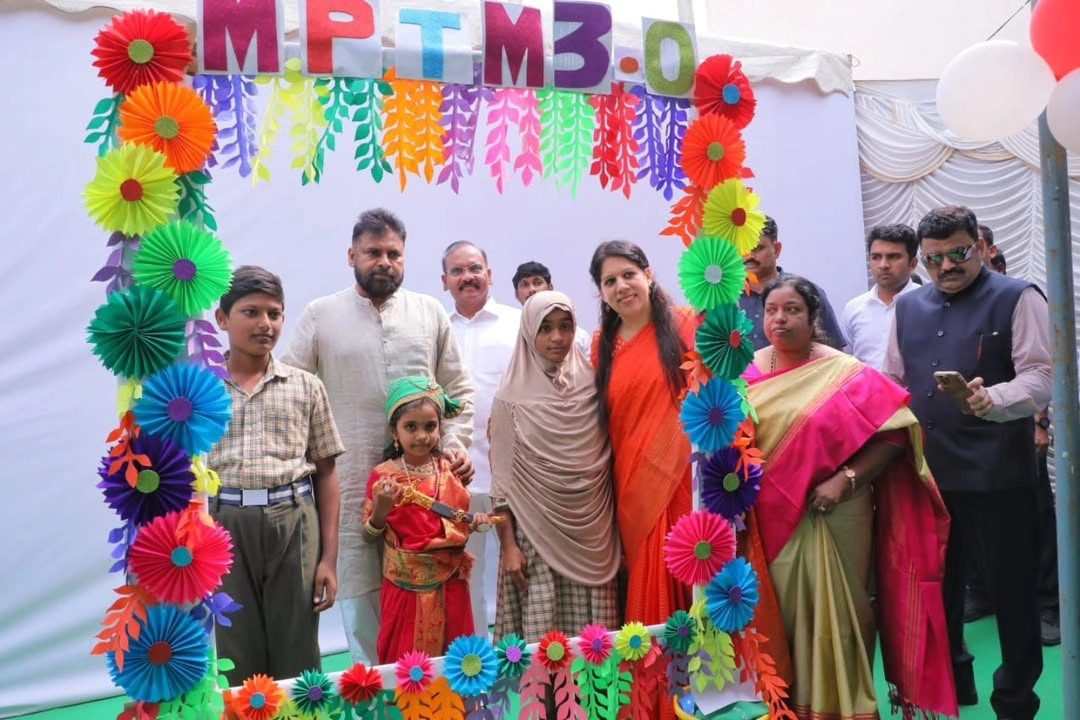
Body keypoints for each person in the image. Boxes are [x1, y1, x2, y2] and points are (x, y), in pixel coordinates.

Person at [743, 275, 956, 720]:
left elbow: (897, 434)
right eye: (772, 310)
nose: (780, 319)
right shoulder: (745, 373)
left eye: (792, 310)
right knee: (782, 621)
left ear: (813, 315)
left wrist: (848, 478)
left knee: (839, 621)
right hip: (770, 523)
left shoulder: (844, 372)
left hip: (836, 514)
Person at [282, 208, 475, 664]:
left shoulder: (428, 312)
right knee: (363, 603)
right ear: (352, 255)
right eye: (373, 253)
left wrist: (455, 443)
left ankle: (437, 703)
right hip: (348, 483)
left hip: (426, 488)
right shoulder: (322, 314)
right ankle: (378, 700)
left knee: (436, 601)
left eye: (394, 253)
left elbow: (459, 388)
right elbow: (289, 385)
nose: (384, 261)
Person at [885, 206, 1050, 719]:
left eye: (958, 254)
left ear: (979, 244)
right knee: (938, 595)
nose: (946, 267)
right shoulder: (907, 308)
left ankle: (1016, 700)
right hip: (929, 476)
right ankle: (951, 690)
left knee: (1013, 597)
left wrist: (995, 399)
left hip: (1001, 478)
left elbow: (1042, 375)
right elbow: (891, 383)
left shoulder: (1018, 296)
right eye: (933, 259)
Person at [207, 266, 346, 685]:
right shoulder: (198, 387)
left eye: (274, 313)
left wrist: (328, 559)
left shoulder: (305, 387)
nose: (265, 324)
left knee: (297, 649)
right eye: (251, 312)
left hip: (293, 522)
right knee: (236, 647)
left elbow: (327, 475)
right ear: (222, 318)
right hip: (224, 525)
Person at [489, 291, 621, 642]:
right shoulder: (509, 399)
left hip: (594, 535)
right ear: (528, 332)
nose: (557, 338)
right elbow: (501, 485)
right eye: (545, 328)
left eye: (565, 326)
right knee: (546, 643)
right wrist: (509, 548)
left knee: (597, 645)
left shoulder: (593, 387)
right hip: (536, 536)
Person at [589, 240, 695, 627]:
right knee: (647, 576)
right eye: (610, 281)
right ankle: (660, 684)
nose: (621, 286)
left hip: (686, 479)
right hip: (633, 486)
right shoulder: (602, 346)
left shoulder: (689, 323)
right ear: (601, 292)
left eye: (629, 275)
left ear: (648, 276)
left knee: (693, 568)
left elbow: (723, 394)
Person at [361, 376, 491, 663]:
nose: (422, 436)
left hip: (452, 586)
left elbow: (460, 522)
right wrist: (381, 508)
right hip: (405, 591)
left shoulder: (449, 469)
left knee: (457, 664)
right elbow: (369, 534)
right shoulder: (383, 476)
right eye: (411, 427)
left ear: (441, 428)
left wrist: (476, 522)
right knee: (408, 668)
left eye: (430, 426)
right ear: (394, 432)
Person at [441, 240, 519, 637]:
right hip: (456, 478)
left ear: (489, 274)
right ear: (444, 281)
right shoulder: (435, 330)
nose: (467, 277)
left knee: (521, 570)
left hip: (517, 477)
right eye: (457, 271)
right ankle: (475, 662)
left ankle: (526, 659)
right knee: (464, 575)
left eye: (474, 268)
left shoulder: (518, 323)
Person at [738, 216, 845, 351]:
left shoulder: (807, 293)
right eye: (743, 249)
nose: (749, 256)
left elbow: (835, 353)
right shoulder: (726, 299)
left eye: (757, 248)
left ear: (776, 249)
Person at [839, 223, 920, 370]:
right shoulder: (854, 308)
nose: (883, 265)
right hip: (867, 392)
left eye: (893, 257)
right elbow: (846, 363)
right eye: (876, 257)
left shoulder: (928, 305)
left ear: (913, 263)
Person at [512, 260, 591, 356]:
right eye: (525, 285)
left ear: (550, 288)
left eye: (537, 283)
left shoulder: (578, 337)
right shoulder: (511, 337)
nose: (532, 289)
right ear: (516, 295)